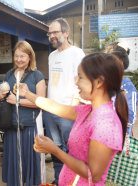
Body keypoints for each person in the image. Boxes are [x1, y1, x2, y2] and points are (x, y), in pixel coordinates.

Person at [16, 52, 128, 185]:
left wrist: (55, 150)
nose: (75, 82)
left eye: (80, 77)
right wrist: (27, 94)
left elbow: (93, 175)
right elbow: (54, 106)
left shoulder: (106, 124)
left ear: (99, 82)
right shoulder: (88, 111)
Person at [0, 41, 46, 186]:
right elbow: (1, 96)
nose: (19, 59)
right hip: (11, 127)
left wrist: (17, 101)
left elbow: (40, 102)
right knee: (14, 165)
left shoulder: (37, 75)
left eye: (22, 56)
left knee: (28, 164)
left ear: (30, 57)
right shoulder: (9, 74)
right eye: (16, 56)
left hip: (29, 127)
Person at [43, 17, 85, 184]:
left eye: (55, 32)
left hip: (68, 111)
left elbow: (80, 81)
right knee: (55, 149)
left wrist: (75, 108)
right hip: (51, 111)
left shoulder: (77, 53)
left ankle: (72, 180)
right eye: (50, 33)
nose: (52, 36)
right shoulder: (52, 55)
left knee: (71, 150)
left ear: (66, 33)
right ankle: (58, 179)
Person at [105, 42, 138, 136]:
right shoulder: (105, 83)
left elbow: (129, 119)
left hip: (118, 139)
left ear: (120, 63)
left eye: (109, 61)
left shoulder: (128, 88)